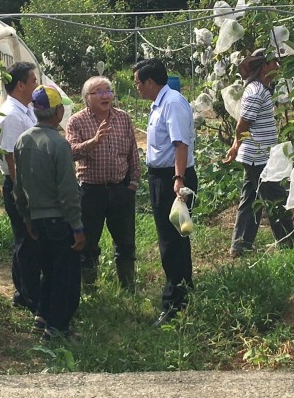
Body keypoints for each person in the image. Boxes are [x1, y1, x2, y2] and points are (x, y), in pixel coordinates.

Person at [13, 85, 84, 340]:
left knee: (48, 270)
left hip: (38, 220)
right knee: (65, 274)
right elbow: (67, 191)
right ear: (58, 112)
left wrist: (27, 217)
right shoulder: (59, 144)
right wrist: (76, 226)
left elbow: (18, 186)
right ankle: (58, 327)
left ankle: (42, 316)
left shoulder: (23, 140)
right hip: (59, 220)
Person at [132, 58, 197, 327]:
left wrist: (178, 179)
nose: (136, 87)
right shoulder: (160, 103)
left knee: (171, 241)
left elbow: (180, 144)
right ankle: (185, 290)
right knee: (174, 237)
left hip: (172, 177)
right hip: (164, 176)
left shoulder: (171, 103)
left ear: (150, 82)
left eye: (137, 82)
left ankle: (174, 302)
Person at [66, 76, 140, 293]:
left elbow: (133, 153)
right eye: (98, 92)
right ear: (87, 98)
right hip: (90, 191)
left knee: (125, 242)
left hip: (120, 189)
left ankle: (128, 288)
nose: (105, 95)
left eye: (108, 90)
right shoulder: (77, 121)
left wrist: (133, 182)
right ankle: (89, 290)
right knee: (88, 244)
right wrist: (94, 141)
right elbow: (71, 151)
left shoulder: (123, 118)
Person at [224, 48, 294, 258]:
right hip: (258, 157)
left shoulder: (260, 89)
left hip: (257, 155)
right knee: (275, 199)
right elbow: (243, 124)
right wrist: (237, 145)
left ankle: (240, 245)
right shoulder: (256, 91)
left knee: (251, 201)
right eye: (274, 63)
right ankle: (287, 242)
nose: (278, 67)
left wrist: (237, 146)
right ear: (264, 66)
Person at [0, 61, 41, 316]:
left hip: (27, 183)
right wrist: (21, 193)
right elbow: (11, 159)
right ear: (20, 84)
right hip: (19, 184)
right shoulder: (10, 115)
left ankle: (23, 291)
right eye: (33, 80)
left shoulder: (25, 110)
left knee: (25, 239)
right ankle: (31, 297)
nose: (36, 85)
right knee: (27, 240)